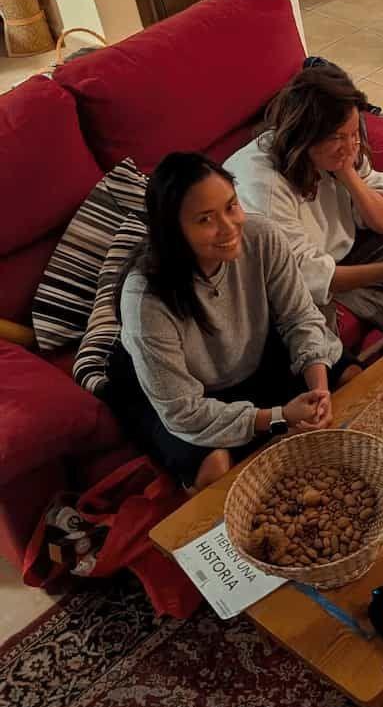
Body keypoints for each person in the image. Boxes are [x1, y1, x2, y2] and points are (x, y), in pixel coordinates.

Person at [107, 153, 356, 491]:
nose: (229, 227)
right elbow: (183, 411)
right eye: (205, 220)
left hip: (248, 353)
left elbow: (301, 318)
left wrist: (319, 393)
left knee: (348, 377)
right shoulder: (146, 300)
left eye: (231, 206)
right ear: (173, 230)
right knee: (215, 466)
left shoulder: (262, 236)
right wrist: (280, 417)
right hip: (176, 392)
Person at [225, 66, 383, 349]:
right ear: (305, 137)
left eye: (354, 134)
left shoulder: (342, 152)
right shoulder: (265, 187)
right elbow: (302, 276)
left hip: (332, 256)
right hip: (282, 281)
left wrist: (346, 172)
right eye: (338, 137)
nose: (350, 146)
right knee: (310, 320)